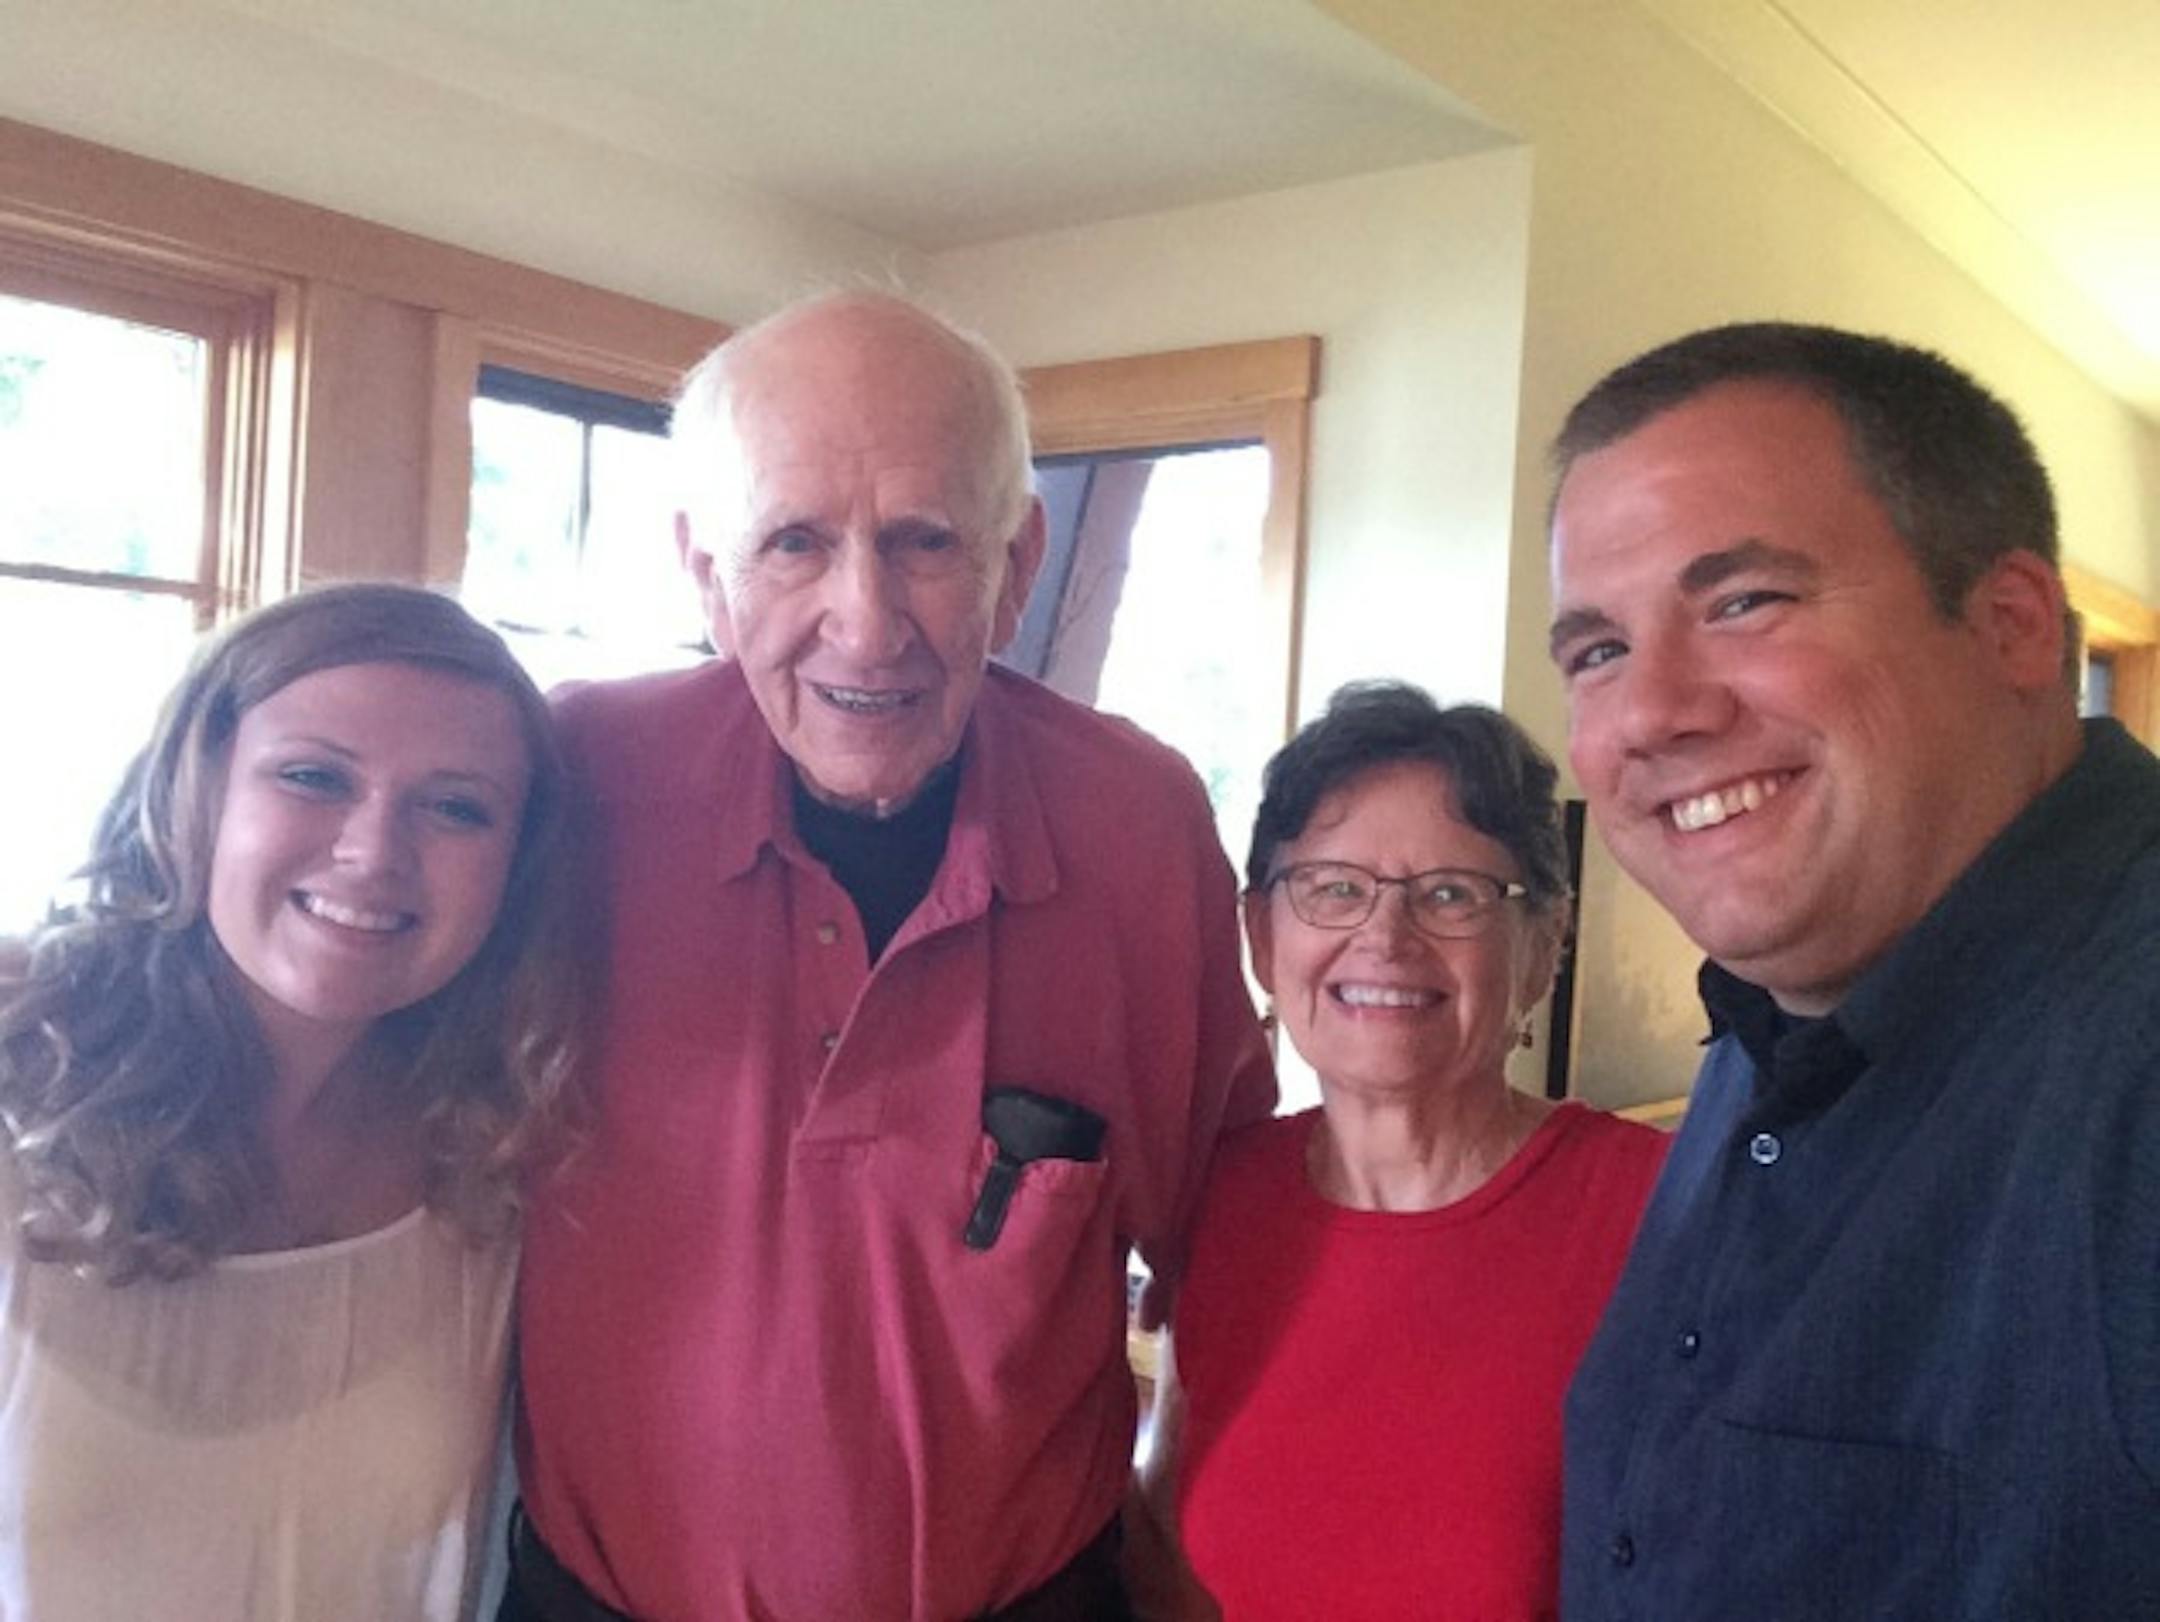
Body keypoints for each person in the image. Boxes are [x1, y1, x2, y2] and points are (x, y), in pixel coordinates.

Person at [504, 291, 1276, 1621]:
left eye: (924, 540)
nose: (865, 623)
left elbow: (1231, 1245)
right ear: (707, 576)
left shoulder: (1134, 825)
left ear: (1019, 565)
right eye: (794, 543)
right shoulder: (572, 782)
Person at [1547, 322, 2160, 1617]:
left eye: (1743, 601)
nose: (1650, 707)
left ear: (2010, 624)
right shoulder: (1771, 1016)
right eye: (1596, 648)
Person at [0, 582, 583, 1621]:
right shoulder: (19, 1086)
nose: (373, 851)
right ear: (200, 788)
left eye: (456, 806)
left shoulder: (494, 1158)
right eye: (313, 776)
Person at [1128, 682, 1665, 1622]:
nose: (1383, 936)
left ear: (1544, 947)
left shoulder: (1648, 1208)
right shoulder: (1217, 1194)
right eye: (1333, 887)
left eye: (1451, 894)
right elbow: (1166, 1537)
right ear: (1262, 936)